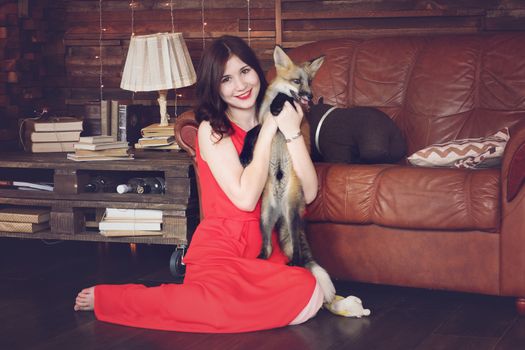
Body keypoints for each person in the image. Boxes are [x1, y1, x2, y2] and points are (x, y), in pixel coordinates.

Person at [73, 35, 324, 333]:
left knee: (308, 287)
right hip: (223, 248)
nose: (240, 86)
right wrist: (269, 129)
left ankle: (241, 307)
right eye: (226, 79)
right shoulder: (212, 129)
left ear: (257, 70)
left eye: (245, 71)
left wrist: (292, 132)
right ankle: (116, 298)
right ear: (214, 86)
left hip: (267, 252)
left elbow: (308, 194)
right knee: (212, 306)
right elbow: (245, 198)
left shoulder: (286, 118)